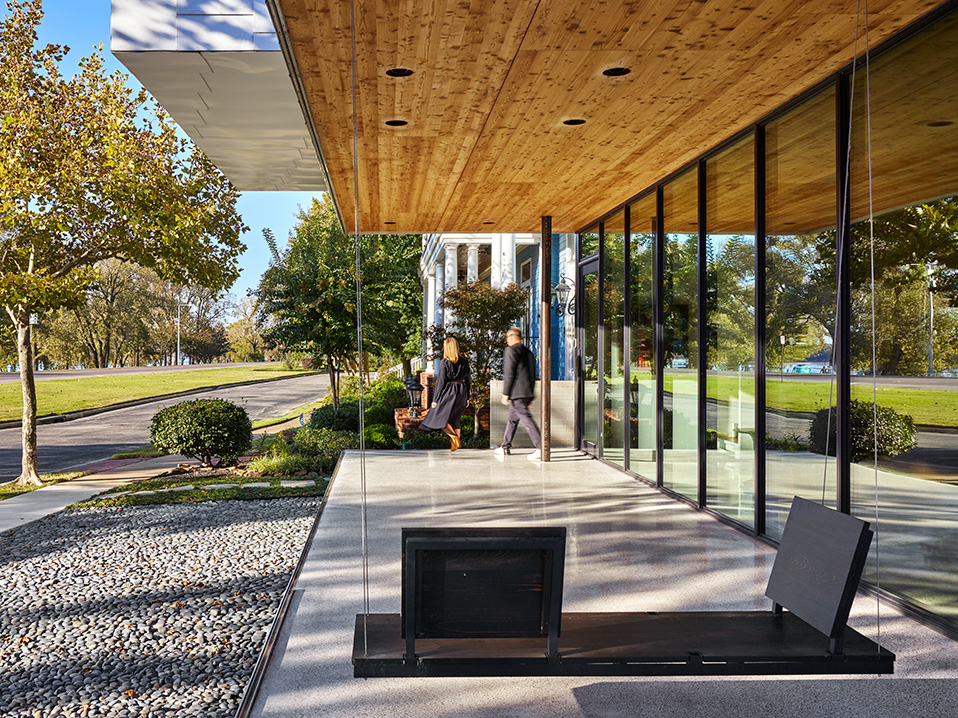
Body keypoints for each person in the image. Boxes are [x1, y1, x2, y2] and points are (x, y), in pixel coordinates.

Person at [494, 327, 541, 461]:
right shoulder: (528, 352)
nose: (506, 340)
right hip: (525, 391)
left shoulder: (511, 350)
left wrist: (505, 393)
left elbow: (510, 373)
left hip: (517, 392)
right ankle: (505, 447)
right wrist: (530, 394)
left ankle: (540, 447)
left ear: (512, 337)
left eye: (507, 337)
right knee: (512, 420)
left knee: (526, 419)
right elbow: (532, 374)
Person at [418, 337, 471, 451]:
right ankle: (455, 446)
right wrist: (467, 397)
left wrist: (435, 400)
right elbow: (468, 380)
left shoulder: (445, 362)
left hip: (449, 392)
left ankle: (454, 437)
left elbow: (441, 382)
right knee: (455, 420)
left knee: (438, 417)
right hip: (462, 391)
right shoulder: (464, 361)